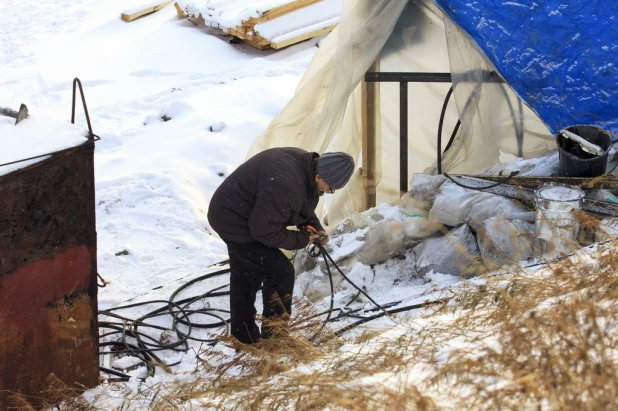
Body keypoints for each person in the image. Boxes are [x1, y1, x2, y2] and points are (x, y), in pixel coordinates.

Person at [207, 147, 355, 344]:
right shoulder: (286, 184)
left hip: (239, 211)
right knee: (279, 273)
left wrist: (315, 228)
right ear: (319, 175)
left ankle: (244, 338)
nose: (327, 192)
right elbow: (264, 231)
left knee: (246, 273)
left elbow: (301, 204)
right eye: (329, 188)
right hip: (233, 219)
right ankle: (276, 339)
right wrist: (303, 240)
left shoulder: (304, 167)